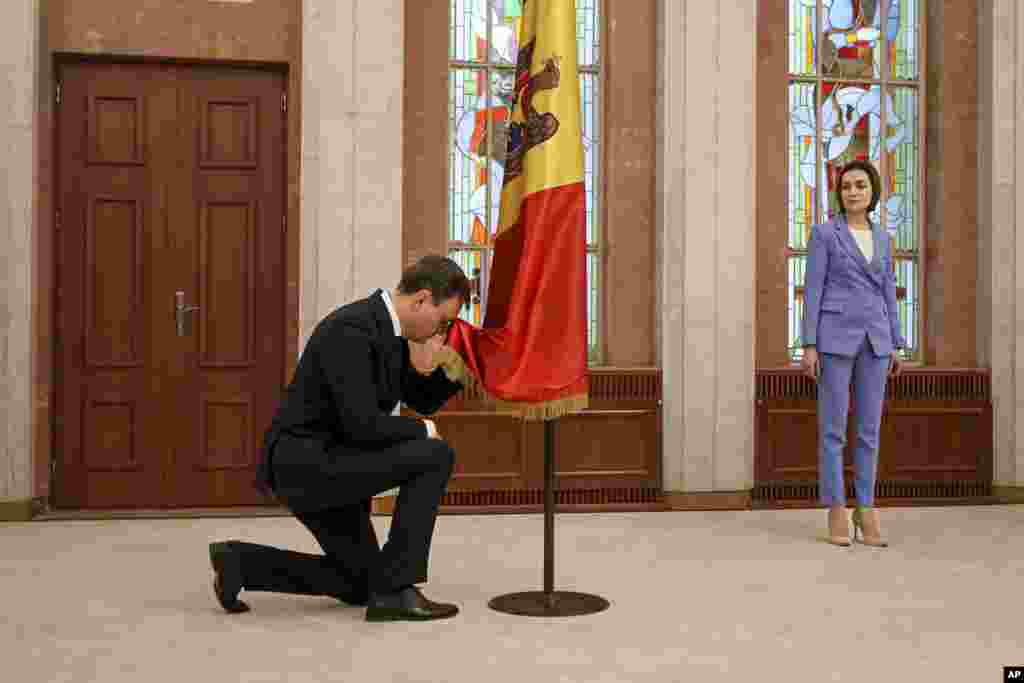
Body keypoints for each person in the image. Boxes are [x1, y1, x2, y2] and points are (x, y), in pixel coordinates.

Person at [208, 255, 471, 621]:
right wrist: (423, 430)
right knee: (435, 455)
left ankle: (240, 563)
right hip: (305, 466)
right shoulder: (352, 329)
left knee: (360, 582)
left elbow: (420, 398)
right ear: (422, 299)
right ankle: (397, 591)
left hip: (333, 461)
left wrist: (456, 370)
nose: (440, 331)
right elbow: (361, 426)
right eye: (442, 321)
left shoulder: (390, 334)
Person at [800, 159, 904, 548]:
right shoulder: (825, 235)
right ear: (839, 194)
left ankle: (866, 507)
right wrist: (809, 344)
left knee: (868, 432)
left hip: (876, 342)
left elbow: (887, 292)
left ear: (873, 191)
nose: (853, 192)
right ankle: (836, 509)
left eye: (860, 185)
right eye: (846, 187)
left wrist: (895, 340)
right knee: (832, 429)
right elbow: (812, 290)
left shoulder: (884, 239)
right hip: (834, 340)